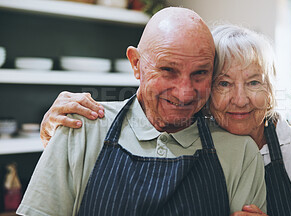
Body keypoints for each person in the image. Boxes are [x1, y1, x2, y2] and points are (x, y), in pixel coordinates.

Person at [40, 24, 291, 215]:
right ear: (207, 87)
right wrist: (58, 128)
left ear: (272, 86)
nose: (240, 99)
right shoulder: (184, 127)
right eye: (224, 83)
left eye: (254, 82)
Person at [17, 8, 267, 216]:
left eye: (200, 73)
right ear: (136, 64)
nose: (184, 93)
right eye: (168, 70)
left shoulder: (240, 154)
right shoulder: (81, 129)